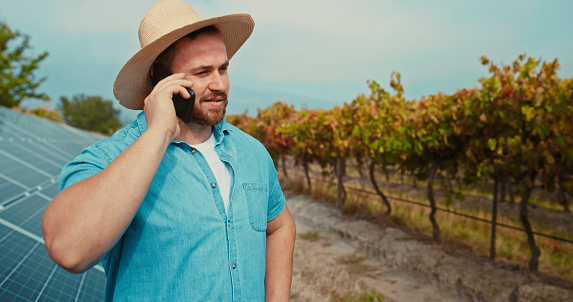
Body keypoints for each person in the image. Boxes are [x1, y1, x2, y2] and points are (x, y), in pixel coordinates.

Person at [41, 0, 296, 301]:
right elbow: (70, 250)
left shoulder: (251, 152)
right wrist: (159, 132)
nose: (219, 84)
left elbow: (280, 225)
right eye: (202, 72)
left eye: (223, 68)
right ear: (161, 78)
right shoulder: (112, 157)